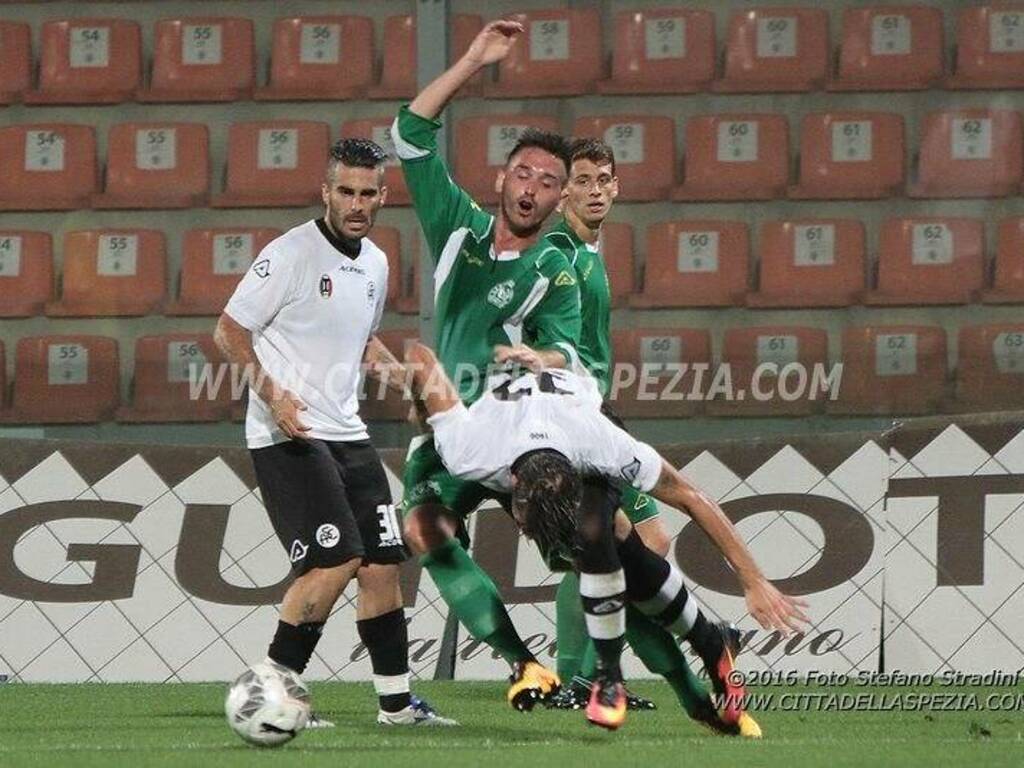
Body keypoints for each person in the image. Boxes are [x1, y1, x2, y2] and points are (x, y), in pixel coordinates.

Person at [403, 342, 810, 733]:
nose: (522, 530)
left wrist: (753, 581)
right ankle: (710, 646)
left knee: (594, 533)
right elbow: (419, 356)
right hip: (524, 429)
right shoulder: (468, 450)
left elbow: (691, 497)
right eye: (524, 520)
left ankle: (609, 676)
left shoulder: (603, 446)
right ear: (511, 482)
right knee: (621, 554)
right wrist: (419, 406)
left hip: (580, 421)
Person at [214, 138, 455, 727]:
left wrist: (401, 378)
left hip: (349, 433)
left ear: (382, 196)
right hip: (289, 432)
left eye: (367, 193)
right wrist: (274, 395)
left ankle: (396, 706)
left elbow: (361, 341)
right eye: (344, 191)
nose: (356, 202)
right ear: (325, 191)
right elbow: (228, 331)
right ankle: (270, 696)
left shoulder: (375, 262)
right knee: (335, 561)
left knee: (380, 566)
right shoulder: (289, 255)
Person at [391, 20, 583, 709]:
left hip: (517, 428)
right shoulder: (457, 229)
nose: (533, 186)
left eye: (549, 181)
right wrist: (473, 59)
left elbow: (573, 349)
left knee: (589, 544)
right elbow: (410, 134)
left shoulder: (555, 266)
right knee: (421, 527)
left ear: (560, 200)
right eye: (524, 172)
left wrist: (542, 355)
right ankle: (523, 664)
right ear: (503, 178)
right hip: (449, 424)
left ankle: (587, 679)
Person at [543, 140, 717, 729]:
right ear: (562, 190)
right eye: (583, 180)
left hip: (595, 413)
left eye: (604, 180)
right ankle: (580, 677)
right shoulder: (557, 252)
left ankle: (593, 674)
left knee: (638, 541)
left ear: (617, 187)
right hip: (574, 418)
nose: (595, 189)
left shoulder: (590, 249)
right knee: (622, 544)